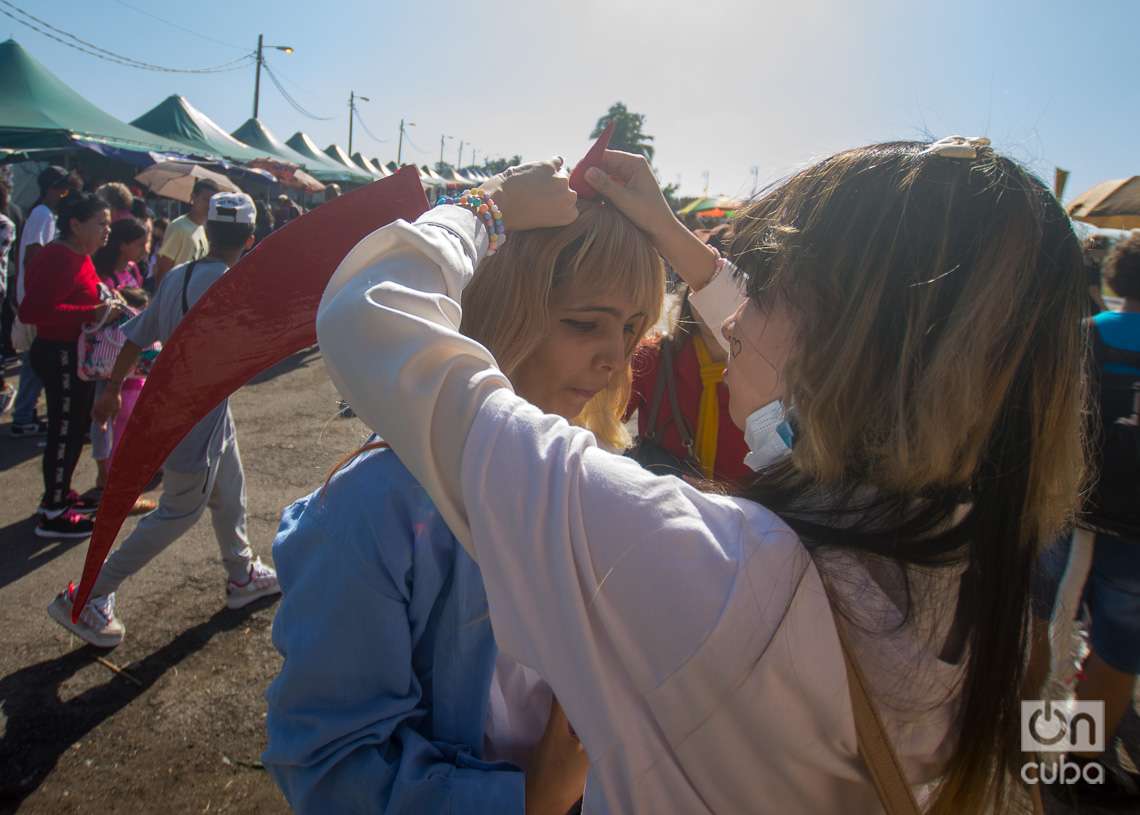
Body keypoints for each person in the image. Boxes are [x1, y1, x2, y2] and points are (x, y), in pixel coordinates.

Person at [314, 142, 1088, 813]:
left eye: (770, 278)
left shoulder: (702, 567)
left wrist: (479, 206)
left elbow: (369, 313)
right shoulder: (950, 553)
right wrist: (664, 230)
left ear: (849, 344)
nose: (736, 313)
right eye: (588, 320)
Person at [263, 199, 664, 814]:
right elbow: (329, 768)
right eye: (587, 323)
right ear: (505, 309)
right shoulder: (371, 506)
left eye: (633, 328)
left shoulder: (595, 469)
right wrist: (527, 799)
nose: (617, 358)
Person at [47, 192, 280, 648]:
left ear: (208, 231)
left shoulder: (177, 277)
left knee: (229, 491)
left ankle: (241, 572)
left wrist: (113, 388)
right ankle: (90, 594)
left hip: (184, 406)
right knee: (178, 510)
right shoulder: (234, 287)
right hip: (195, 414)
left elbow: (134, 334)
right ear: (250, 239)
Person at [18, 192, 117, 538]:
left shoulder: (81, 256)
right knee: (64, 431)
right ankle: (53, 509)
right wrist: (92, 313)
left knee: (75, 429)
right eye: (101, 224)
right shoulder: (58, 256)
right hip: (59, 352)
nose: (107, 231)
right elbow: (32, 312)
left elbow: (85, 294)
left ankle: (59, 495)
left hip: (77, 356)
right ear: (75, 225)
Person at [625, 284, 750, 483]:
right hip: (664, 506)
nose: (713, 306)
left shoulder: (769, 372)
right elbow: (597, 422)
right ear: (690, 299)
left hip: (746, 512)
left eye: (724, 291)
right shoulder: (652, 358)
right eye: (704, 290)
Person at [87, 218, 155, 514]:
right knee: (105, 420)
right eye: (141, 243)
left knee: (127, 419)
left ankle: (117, 480)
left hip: (130, 360)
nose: (145, 249)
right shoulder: (102, 276)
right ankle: (107, 481)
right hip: (106, 362)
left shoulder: (131, 271)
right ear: (123, 244)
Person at [10, 166, 79, 437]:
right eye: (64, 187)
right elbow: (32, 255)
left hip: (32, 297)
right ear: (54, 188)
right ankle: (23, 415)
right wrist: (37, 296)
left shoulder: (42, 213)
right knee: (34, 361)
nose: (66, 193)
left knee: (34, 360)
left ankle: (26, 413)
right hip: (36, 300)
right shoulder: (43, 214)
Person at [153, 178, 218, 285]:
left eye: (212, 202)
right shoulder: (178, 227)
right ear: (193, 197)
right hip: (173, 294)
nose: (209, 205)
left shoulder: (202, 229)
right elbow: (164, 266)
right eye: (206, 199)